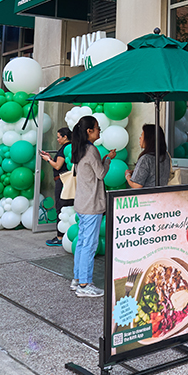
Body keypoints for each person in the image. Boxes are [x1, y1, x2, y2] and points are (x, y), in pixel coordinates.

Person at [69, 116, 115, 297]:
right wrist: (108, 159)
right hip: (91, 204)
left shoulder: (79, 149)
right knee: (89, 245)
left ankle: (78, 279)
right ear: (89, 131)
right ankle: (84, 284)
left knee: (82, 243)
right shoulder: (91, 150)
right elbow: (101, 173)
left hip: (81, 203)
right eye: (97, 128)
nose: (99, 131)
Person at [40, 127, 72, 247]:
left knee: (60, 207)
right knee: (65, 206)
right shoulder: (70, 147)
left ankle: (59, 236)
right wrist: (51, 158)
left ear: (65, 137)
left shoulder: (65, 148)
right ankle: (63, 234)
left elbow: (58, 166)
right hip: (66, 181)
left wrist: (48, 159)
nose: (57, 139)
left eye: (59, 137)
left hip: (62, 181)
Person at [124, 124, 170, 188]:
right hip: (161, 195)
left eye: (142, 135)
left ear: (148, 139)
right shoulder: (165, 156)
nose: (140, 138)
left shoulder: (146, 159)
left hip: (147, 196)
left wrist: (127, 175)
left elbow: (137, 185)